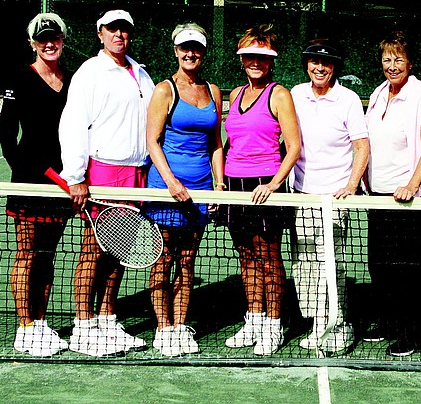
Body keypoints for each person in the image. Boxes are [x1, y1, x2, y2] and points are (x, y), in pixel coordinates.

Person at [58, 9, 155, 357]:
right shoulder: (90, 72)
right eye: (112, 29)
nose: (119, 35)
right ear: (100, 33)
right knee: (93, 250)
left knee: (121, 251)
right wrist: (75, 176)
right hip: (104, 172)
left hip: (136, 173)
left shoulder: (141, 73)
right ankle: (84, 328)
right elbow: (73, 124)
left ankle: (108, 319)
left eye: (124, 30)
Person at [143, 23, 224, 357]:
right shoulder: (164, 90)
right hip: (166, 188)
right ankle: (163, 328)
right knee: (163, 259)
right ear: (176, 51)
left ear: (203, 52)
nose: (191, 53)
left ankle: (180, 326)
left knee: (188, 260)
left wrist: (219, 185)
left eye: (196, 48)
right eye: (185, 48)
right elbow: (152, 141)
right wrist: (172, 183)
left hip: (201, 189)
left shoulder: (213, 91)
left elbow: (215, 143)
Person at [0, 13, 75, 357]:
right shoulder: (20, 78)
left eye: (54, 37)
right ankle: (25, 327)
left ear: (62, 40)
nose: (49, 43)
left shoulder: (72, 81)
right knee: (27, 254)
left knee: (46, 255)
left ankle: (40, 323)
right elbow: (6, 135)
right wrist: (25, 171)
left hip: (62, 183)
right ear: (32, 43)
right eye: (42, 38)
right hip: (30, 183)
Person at [222, 24, 301, 356]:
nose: (255, 62)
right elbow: (231, 143)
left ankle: (273, 324)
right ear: (242, 59)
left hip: (265, 184)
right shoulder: (234, 94)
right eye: (249, 56)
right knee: (246, 255)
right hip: (234, 183)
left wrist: (273, 183)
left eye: (262, 57)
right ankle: (253, 320)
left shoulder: (279, 94)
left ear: (271, 61)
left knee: (268, 256)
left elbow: (293, 147)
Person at [290, 39, 369, 355]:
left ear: (335, 67)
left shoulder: (348, 99)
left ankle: (338, 323)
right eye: (314, 62)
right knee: (306, 264)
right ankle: (318, 323)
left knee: (331, 264)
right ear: (307, 65)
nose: (319, 68)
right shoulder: (296, 94)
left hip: (334, 198)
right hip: (302, 196)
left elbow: (361, 146)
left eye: (326, 63)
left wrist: (351, 185)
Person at [364, 31, 421, 357]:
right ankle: (390, 323)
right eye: (387, 59)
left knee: (408, 270)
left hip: (409, 200)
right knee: (380, 266)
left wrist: (411, 185)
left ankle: (414, 333)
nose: (392, 65)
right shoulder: (378, 93)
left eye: (398, 59)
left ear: (410, 63)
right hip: (377, 196)